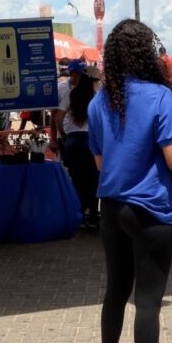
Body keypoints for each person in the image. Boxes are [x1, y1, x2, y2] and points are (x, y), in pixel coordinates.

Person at [87, 18, 172, 343]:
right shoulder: (159, 96)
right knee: (148, 300)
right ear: (147, 52)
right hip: (150, 207)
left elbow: (100, 161)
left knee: (115, 290)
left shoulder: (99, 101)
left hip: (112, 208)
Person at [62, 62, 101, 229]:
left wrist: (65, 136)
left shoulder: (71, 94)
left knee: (77, 180)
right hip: (90, 141)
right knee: (93, 179)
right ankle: (93, 216)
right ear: (93, 80)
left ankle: (78, 215)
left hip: (72, 141)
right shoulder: (97, 96)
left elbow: (57, 118)